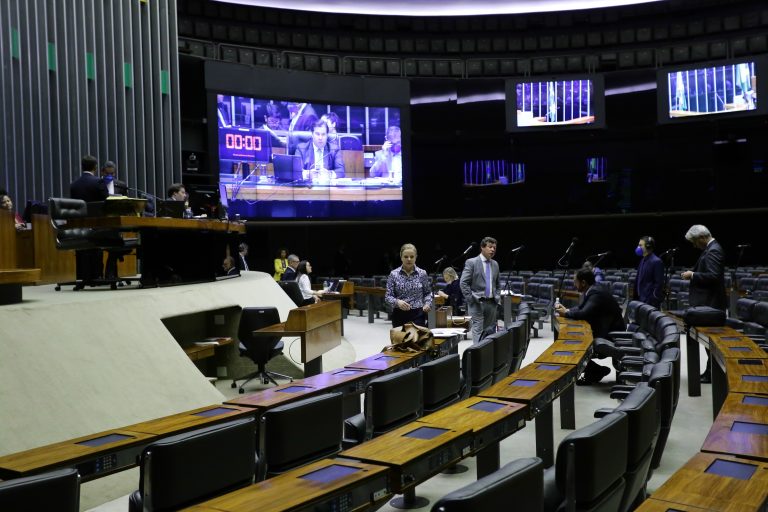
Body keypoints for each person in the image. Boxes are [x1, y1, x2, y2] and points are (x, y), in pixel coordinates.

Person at [555, 267, 625, 385]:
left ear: (583, 282)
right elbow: (581, 308)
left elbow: (583, 313)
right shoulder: (593, 290)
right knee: (571, 342)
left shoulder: (596, 293)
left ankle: (596, 371)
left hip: (610, 335)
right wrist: (567, 310)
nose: (574, 285)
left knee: (573, 344)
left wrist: (566, 313)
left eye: (575, 282)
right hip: (604, 329)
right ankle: (596, 371)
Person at [681, 224, 726, 383]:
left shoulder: (713, 250)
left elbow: (713, 276)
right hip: (707, 303)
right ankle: (710, 372)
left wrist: (692, 275)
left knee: (710, 343)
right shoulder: (711, 248)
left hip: (711, 303)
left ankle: (713, 374)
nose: (694, 245)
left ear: (701, 237)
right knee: (708, 343)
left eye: (694, 241)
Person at [460, 236, 501, 343]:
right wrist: (471, 300)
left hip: (492, 303)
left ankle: (487, 356)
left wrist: (497, 296)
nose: (492, 250)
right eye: (490, 247)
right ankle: (478, 356)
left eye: (494, 248)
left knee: (489, 331)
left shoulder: (495, 264)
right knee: (478, 330)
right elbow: (463, 283)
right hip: (477, 302)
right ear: (482, 247)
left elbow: (498, 284)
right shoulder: (471, 262)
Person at [384, 243, 432, 328]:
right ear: (401, 257)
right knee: (400, 341)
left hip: (418, 314)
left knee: (417, 341)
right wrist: (397, 302)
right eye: (406, 257)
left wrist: (427, 303)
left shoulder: (422, 273)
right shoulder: (393, 274)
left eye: (412, 257)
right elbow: (388, 296)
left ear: (416, 257)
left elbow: (428, 293)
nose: (409, 259)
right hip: (399, 314)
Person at [635, 235, 664, 307]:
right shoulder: (642, 260)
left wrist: (653, 299)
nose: (638, 247)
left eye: (640, 245)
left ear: (648, 246)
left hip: (650, 302)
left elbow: (658, 284)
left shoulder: (657, 261)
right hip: (641, 299)